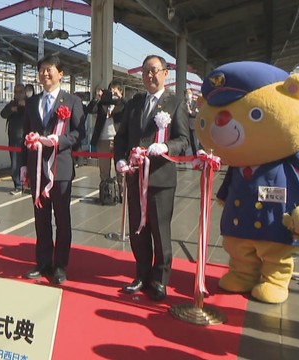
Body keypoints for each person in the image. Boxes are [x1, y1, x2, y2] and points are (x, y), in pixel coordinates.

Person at [113, 55, 189, 301]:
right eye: (145, 71)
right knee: (138, 229)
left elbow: (184, 139)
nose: (150, 76)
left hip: (160, 178)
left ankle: (160, 280)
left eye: (155, 71)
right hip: (136, 177)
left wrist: (166, 147)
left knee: (160, 231)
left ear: (166, 73)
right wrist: (121, 159)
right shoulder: (134, 103)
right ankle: (141, 275)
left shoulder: (175, 102)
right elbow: (122, 137)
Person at [20, 54, 86, 284]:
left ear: (61, 74)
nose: (45, 74)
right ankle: (43, 262)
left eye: (49, 70)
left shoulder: (72, 101)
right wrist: (22, 166)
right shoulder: (32, 102)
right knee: (41, 218)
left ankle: (60, 264)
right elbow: (24, 136)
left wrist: (59, 141)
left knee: (62, 218)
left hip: (61, 169)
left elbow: (79, 134)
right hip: (37, 168)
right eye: (41, 70)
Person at [85, 80, 126, 194]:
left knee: (121, 169)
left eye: (115, 91)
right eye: (110, 91)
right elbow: (89, 110)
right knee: (104, 170)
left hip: (118, 139)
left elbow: (129, 109)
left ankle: (122, 193)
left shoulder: (122, 104)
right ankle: (105, 193)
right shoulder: (102, 104)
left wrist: (120, 98)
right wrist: (97, 98)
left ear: (120, 91)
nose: (112, 93)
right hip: (103, 139)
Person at [0, 83, 27, 195]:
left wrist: (25, 105)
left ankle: (27, 184)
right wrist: (12, 109)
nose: (18, 94)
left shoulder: (29, 103)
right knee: (15, 162)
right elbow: (3, 114)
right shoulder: (12, 104)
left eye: (20, 92)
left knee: (27, 162)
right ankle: (18, 185)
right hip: (14, 138)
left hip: (27, 138)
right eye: (16, 92)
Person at [184, 88, 199, 154]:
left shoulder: (195, 103)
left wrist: (190, 112)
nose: (188, 95)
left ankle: (196, 156)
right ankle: (182, 158)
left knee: (194, 142)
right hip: (184, 126)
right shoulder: (182, 103)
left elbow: (196, 113)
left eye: (189, 93)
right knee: (184, 142)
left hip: (192, 125)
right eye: (187, 93)